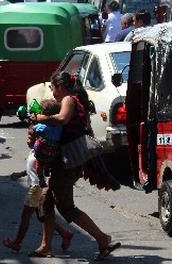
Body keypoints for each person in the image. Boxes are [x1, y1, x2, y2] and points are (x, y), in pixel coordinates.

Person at [30, 72, 121, 259]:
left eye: (53, 87)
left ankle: (103, 238)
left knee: (65, 206)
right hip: (64, 162)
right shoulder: (72, 99)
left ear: (60, 86)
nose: (52, 92)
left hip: (68, 162)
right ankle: (46, 246)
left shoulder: (69, 100)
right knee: (45, 201)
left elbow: (62, 119)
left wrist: (39, 118)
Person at [3, 100, 73, 253]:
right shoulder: (46, 144)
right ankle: (64, 233)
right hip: (37, 184)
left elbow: (34, 130)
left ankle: (17, 242)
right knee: (42, 215)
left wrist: (33, 123)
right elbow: (34, 167)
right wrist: (21, 173)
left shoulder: (43, 137)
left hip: (36, 188)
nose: (29, 141)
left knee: (26, 216)